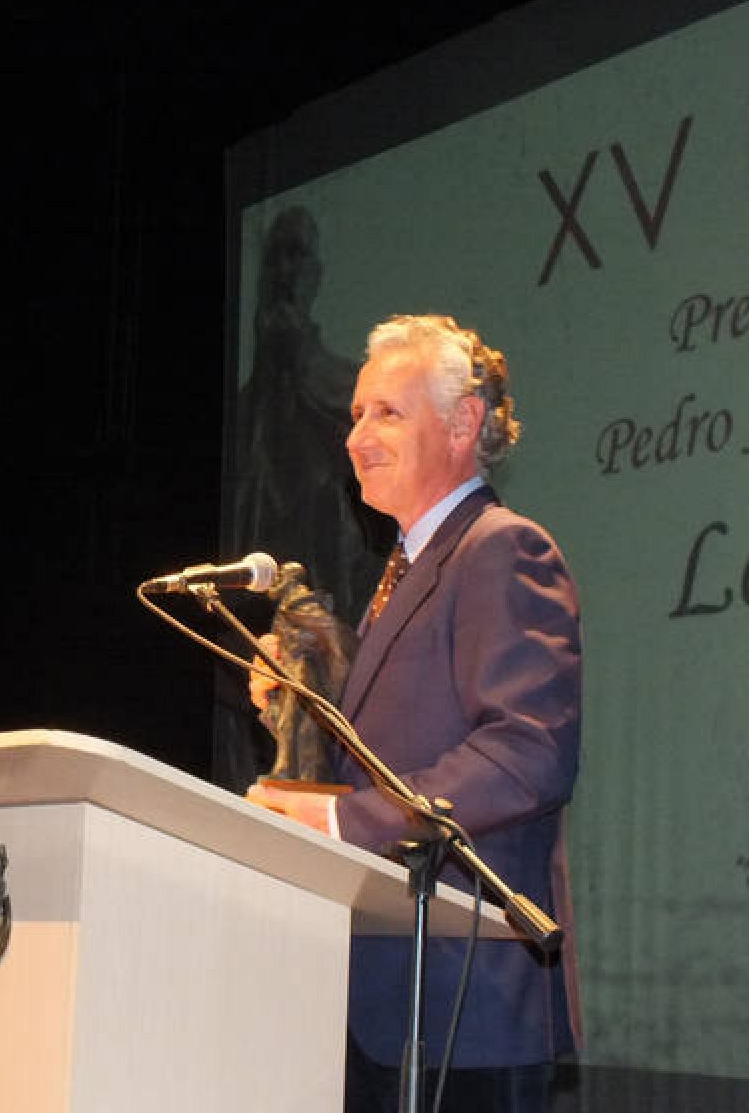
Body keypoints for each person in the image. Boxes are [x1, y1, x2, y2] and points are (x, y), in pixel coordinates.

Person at [247, 313, 581, 1113]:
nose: (356, 436)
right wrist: (302, 703)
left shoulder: (502, 549)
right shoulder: (409, 566)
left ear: (463, 423)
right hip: (388, 1004)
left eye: (387, 413)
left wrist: (342, 824)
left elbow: (526, 754)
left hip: (468, 1006)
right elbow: (395, 744)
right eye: (356, 414)